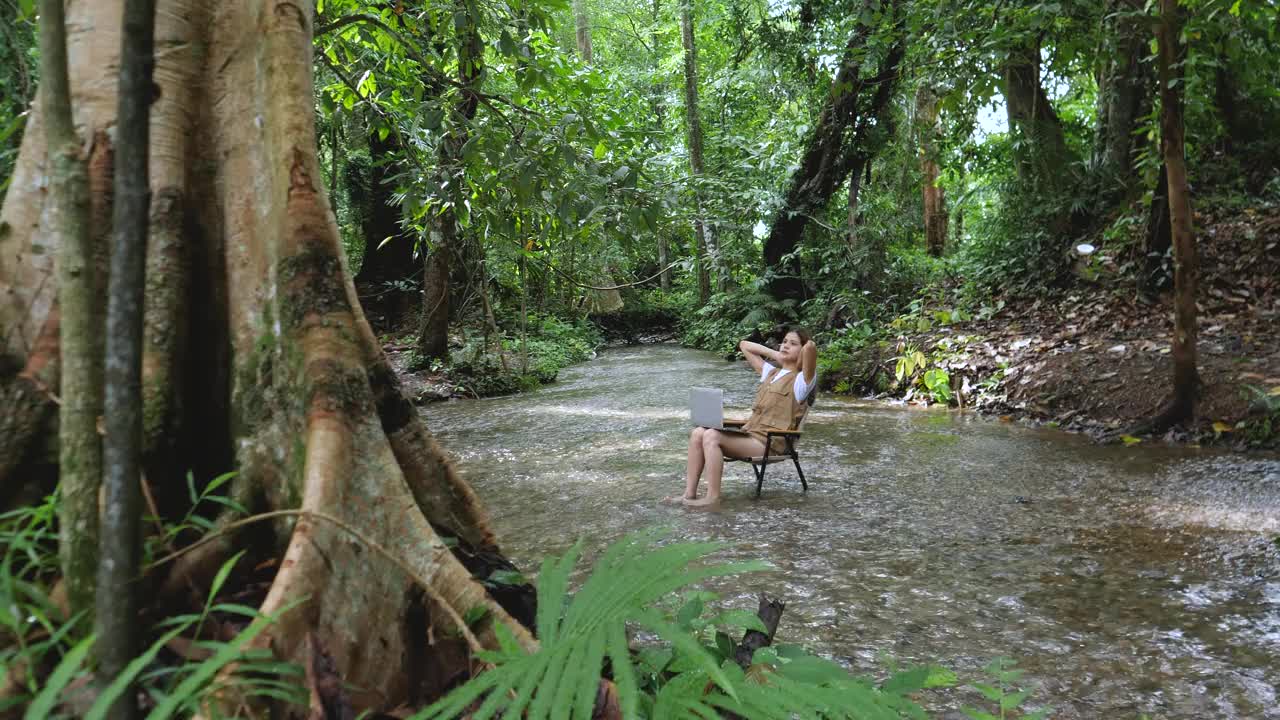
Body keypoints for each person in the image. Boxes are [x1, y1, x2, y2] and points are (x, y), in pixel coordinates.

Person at [664, 329, 817, 507]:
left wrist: (800, 353)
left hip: (770, 443)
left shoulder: (802, 382)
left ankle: (712, 498)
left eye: (793, 343)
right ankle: (689, 495)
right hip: (750, 435)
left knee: (712, 436)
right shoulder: (770, 373)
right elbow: (744, 345)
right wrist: (776, 354)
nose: (786, 345)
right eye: (784, 341)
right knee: (698, 432)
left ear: (801, 350)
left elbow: (811, 348)